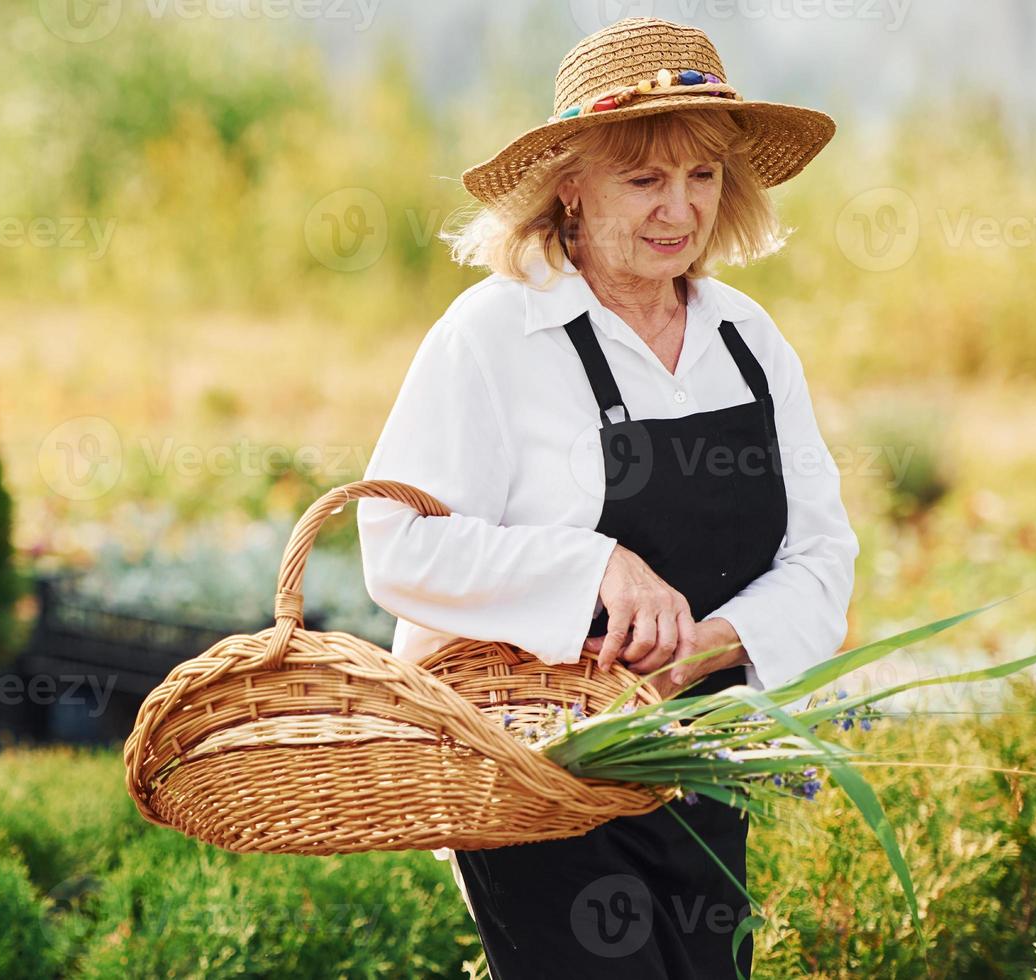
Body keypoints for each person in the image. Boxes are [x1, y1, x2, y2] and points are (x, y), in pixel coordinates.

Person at [356, 16, 858, 978]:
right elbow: (399, 547)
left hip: (701, 762)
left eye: (704, 175)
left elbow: (823, 558)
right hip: (540, 777)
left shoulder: (746, 341)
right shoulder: (497, 335)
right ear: (571, 188)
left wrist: (704, 649)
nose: (681, 209)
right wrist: (598, 566)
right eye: (646, 179)